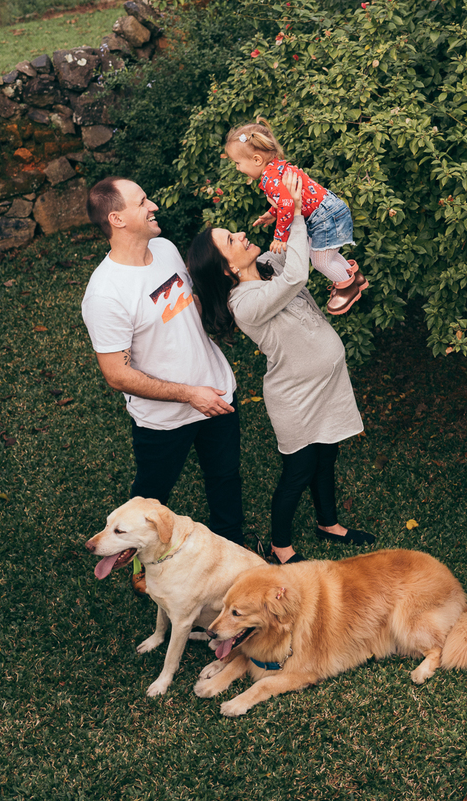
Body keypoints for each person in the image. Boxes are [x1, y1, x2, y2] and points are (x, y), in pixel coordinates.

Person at [187, 168, 374, 564]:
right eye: (230, 241)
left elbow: (292, 250)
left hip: (327, 384)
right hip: (296, 397)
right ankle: (281, 547)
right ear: (226, 269)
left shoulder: (270, 262)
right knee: (298, 470)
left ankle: (329, 523)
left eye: (234, 232)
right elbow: (297, 274)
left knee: (327, 456)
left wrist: (284, 213)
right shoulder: (245, 304)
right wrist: (297, 214)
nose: (240, 234)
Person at [82, 177, 244, 591]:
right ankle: (140, 567)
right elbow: (116, 374)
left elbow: (187, 310)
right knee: (150, 497)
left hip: (217, 393)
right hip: (164, 418)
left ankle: (237, 563)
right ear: (117, 218)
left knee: (224, 481)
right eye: (142, 202)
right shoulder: (106, 294)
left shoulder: (167, 250)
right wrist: (190, 394)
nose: (153, 205)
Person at [224, 118, 368, 316]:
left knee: (320, 262)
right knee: (327, 254)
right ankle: (355, 278)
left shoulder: (270, 179)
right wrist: (271, 213)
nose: (238, 168)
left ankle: (347, 287)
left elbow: (288, 203)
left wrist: (279, 237)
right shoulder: (276, 167)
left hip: (324, 217)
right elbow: (288, 199)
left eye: (238, 163)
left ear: (257, 160)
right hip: (329, 210)